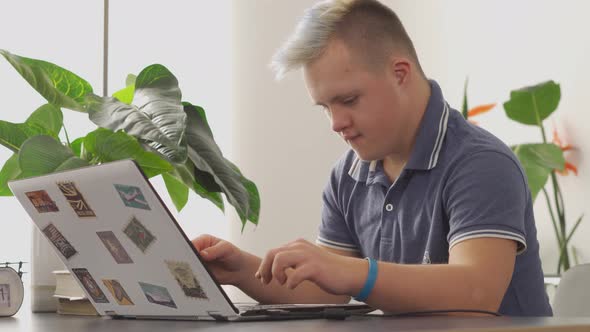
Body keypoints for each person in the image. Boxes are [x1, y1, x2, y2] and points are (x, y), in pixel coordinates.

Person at [192, 0, 552, 316]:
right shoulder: (348, 175)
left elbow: (476, 293)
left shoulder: (481, 164)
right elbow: (325, 293)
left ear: (400, 74)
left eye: (348, 101)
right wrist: (243, 270)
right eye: (325, 107)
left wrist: (353, 271)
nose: (336, 123)